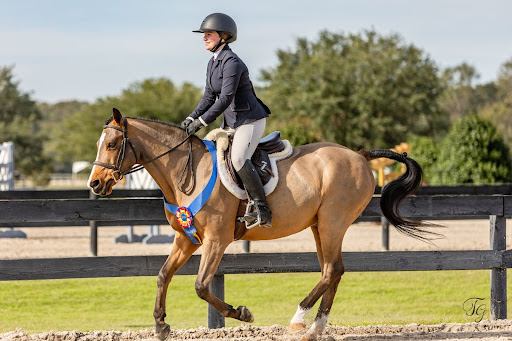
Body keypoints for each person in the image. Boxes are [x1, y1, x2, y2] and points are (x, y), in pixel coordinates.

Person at [181, 13, 272, 228]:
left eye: (209, 34)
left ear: (224, 36)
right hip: (231, 123)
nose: (204, 38)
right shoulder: (213, 63)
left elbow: (225, 99)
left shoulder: (232, 63)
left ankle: (262, 209)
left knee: (239, 159)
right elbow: (208, 97)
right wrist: (190, 117)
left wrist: (201, 123)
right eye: (204, 34)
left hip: (249, 121)